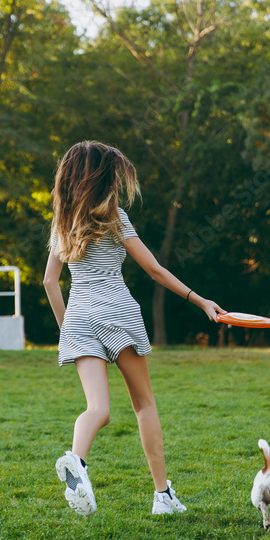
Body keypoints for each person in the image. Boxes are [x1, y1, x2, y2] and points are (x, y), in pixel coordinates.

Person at [42, 140, 225, 516]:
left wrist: (68, 331)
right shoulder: (114, 217)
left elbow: (49, 282)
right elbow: (154, 270)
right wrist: (200, 299)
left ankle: (77, 459)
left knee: (98, 408)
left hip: (77, 316)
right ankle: (163, 497)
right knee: (143, 404)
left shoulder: (63, 221)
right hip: (116, 312)